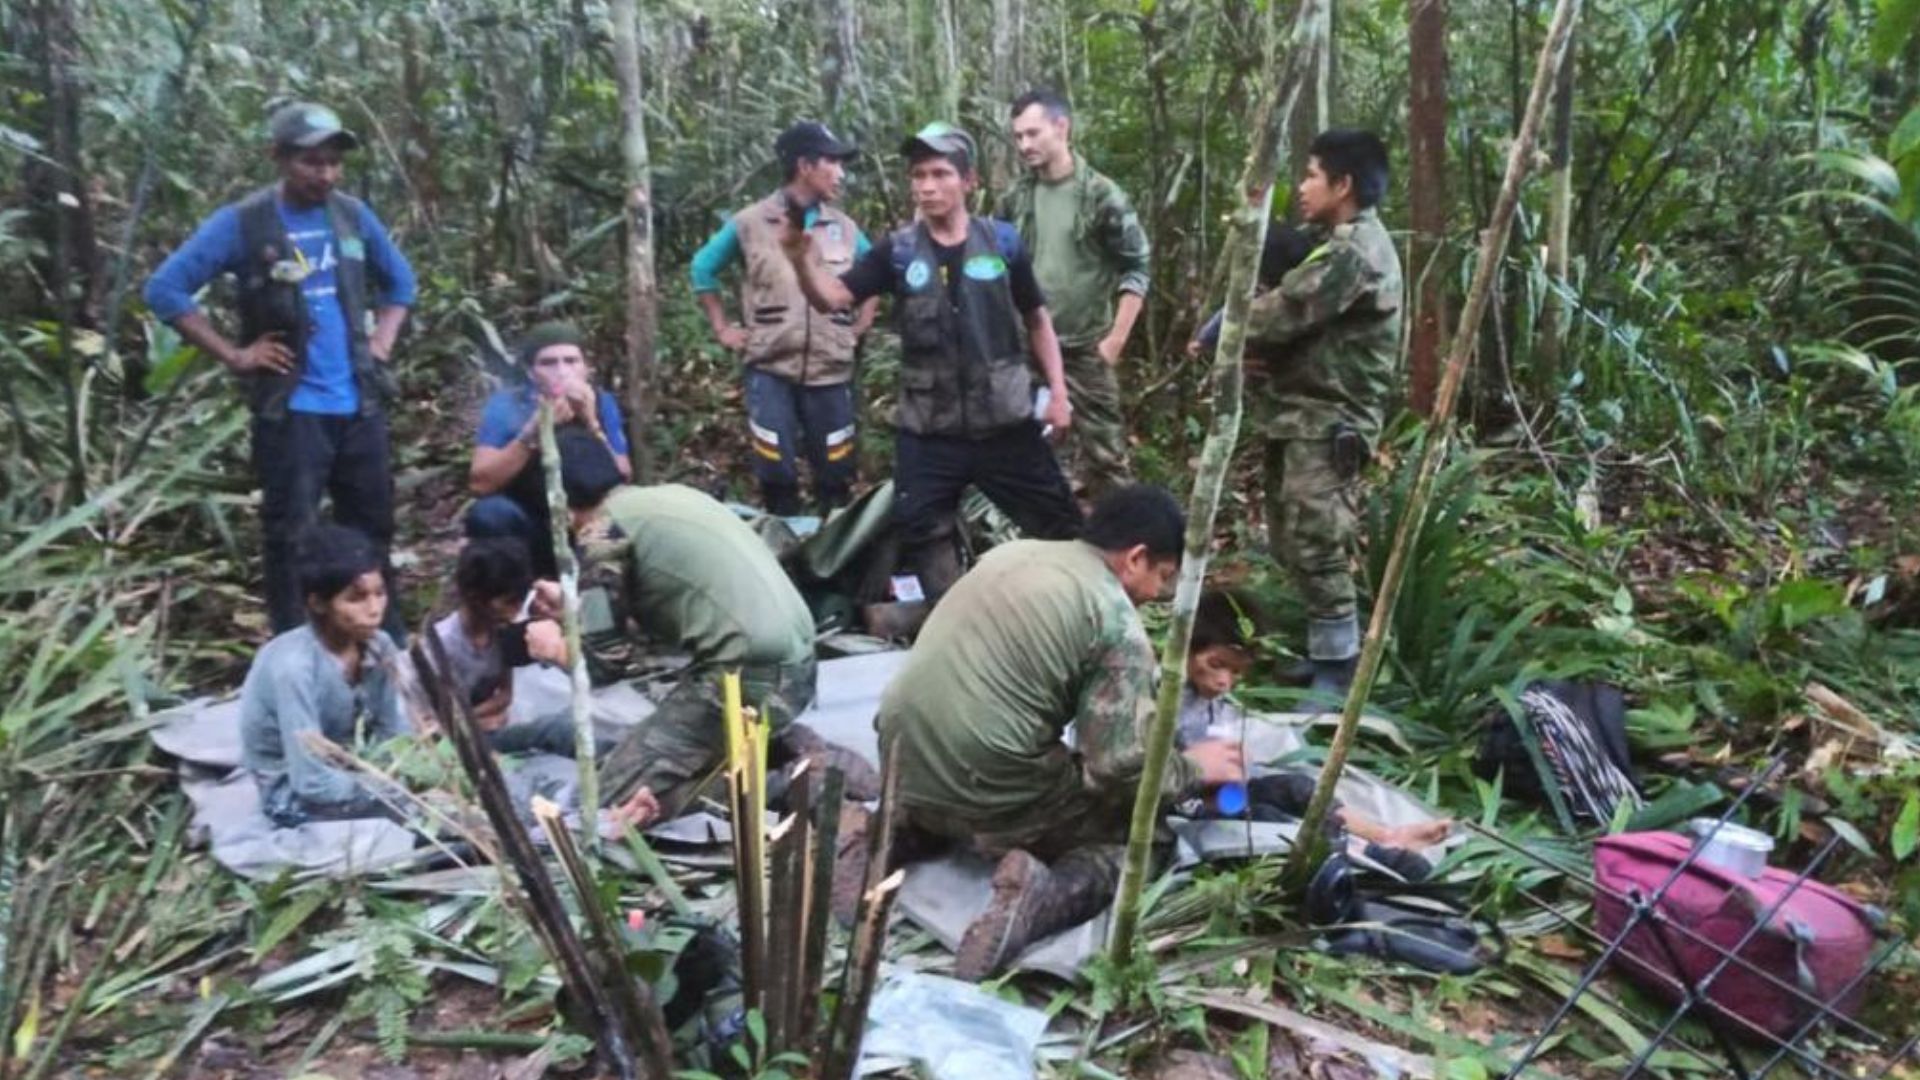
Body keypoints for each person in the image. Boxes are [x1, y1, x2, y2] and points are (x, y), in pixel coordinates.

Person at [865, 486, 1245, 980]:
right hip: (986, 781)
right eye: (1163, 578)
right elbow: (1117, 768)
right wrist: (1196, 767)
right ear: (1136, 558)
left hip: (898, 754)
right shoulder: (1114, 620)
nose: (1155, 596)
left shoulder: (1012, 554)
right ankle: (1039, 899)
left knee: (983, 763)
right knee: (1143, 841)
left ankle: (897, 831)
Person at [144, 101, 417, 638]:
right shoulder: (244, 223)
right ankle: (299, 647)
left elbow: (401, 284)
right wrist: (235, 354)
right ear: (278, 157)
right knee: (292, 534)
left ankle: (386, 640)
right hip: (292, 411)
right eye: (311, 162)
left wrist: (381, 342)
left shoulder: (351, 216)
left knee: (373, 527)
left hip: (359, 403)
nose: (326, 174)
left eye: (334, 162)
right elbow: (165, 290)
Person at [782, 122, 1083, 602]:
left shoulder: (1003, 242)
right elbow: (832, 298)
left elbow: (1037, 319)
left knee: (1060, 525)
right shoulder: (897, 252)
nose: (926, 186)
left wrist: (1059, 394)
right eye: (918, 175)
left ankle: (1069, 614)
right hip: (929, 428)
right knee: (921, 525)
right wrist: (799, 259)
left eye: (940, 174)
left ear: (969, 182)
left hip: (1005, 420)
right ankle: (956, 617)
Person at [536, 434, 820, 829]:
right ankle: (771, 749)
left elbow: (604, 665)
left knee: (604, 802)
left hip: (748, 679)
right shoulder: (671, 497)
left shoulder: (602, 534)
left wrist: (554, 647)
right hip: (799, 666)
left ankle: (784, 785)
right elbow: (671, 604)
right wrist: (576, 609)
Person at [1244, 130, 1403, 697]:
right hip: (1300, 413)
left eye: (1312, 175)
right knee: (1292, 536)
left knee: (1318, 538)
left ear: (1344, 185)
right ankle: (1323, 652)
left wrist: (1229, 326)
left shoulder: (1354, 253)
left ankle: (1339, 669)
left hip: (1330, 419)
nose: (1302, 187)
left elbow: (1280, 313)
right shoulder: (1332, 241)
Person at [1178, 589, 1450, 862]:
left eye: (1236, 672)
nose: (1224, 681)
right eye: (1216, 664)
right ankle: (1367, 854)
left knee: (1298, 789)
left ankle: (1383, 836)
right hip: (1186, 805)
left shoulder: (1210, 702)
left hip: (1223, 794)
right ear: (1186, 647)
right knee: (1268, 820)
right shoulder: (1161, 700)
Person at [691, 121, 879, 515]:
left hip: (830, 370)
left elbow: (874, 274)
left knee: (836, 469)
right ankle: (782, 550)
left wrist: (860, 325)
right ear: (805, 166)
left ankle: (834, 555)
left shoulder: (844, 228)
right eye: (833, 163)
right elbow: (703, 269)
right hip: (770, 367)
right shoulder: (750, 222)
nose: (841, 174)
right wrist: (723, 328)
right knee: (775, 469)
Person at [1000, 89, 1151, 503]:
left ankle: (1122, 552)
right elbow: (996, 266)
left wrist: (1114, 342)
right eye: (1018, 137)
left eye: (1032, 133)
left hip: (1086, 349)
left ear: (1061, 127)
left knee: (1106, 459)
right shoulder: (1015, 199)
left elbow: (1136, 266)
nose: (1025, 145)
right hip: (1028, 351)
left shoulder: (1102, 196)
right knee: (1032, 456)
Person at [239, 524, 414, 827]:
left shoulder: (379, 645)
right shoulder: (295, 668)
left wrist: (406, 770)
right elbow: (310, 781)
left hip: (357, 766)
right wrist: (388, 789)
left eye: (380, 594)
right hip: (293, 790)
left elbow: (394, 733)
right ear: (318, 603)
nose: (374, 609)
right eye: (356, 598)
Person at [466, 321, 633, 577]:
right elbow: (481, 483)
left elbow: (623, 474)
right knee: (489, 515)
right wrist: (532, 433)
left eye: (570, 361)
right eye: (548, 363)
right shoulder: (508, 405)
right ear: (532, 372)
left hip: (589, 520)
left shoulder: (601, 402)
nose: (561, 371)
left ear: (585, 368)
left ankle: (603, 590)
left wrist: (591, 423)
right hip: (532, 519)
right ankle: (515, 596)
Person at [427, 537, 583, 759]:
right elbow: (436, 722)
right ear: (476, 597)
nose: (516, 612)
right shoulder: (443, 646)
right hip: (459, 748)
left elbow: (505, 697)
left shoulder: (501, 633)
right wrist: (475, 721)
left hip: (489, 729)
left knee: (563, 729)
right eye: (509, 603)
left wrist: (470, 718)